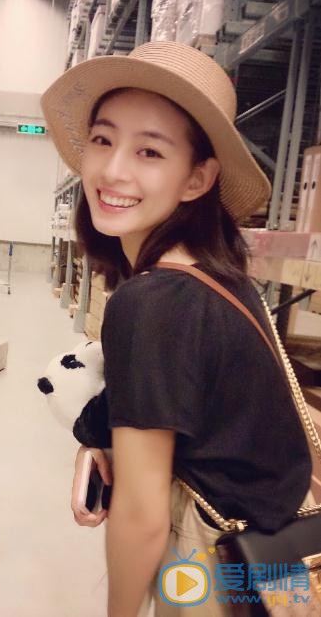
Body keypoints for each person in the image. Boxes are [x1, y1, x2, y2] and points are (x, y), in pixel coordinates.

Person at [41, 42, 313, 616]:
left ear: (197, 178)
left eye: (149, 151)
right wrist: (103, 442)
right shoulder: (219, 277)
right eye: (103, 140)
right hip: (276, 557)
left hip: (213, 566)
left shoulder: (152, 303)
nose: (113, 170)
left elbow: (142, 519)